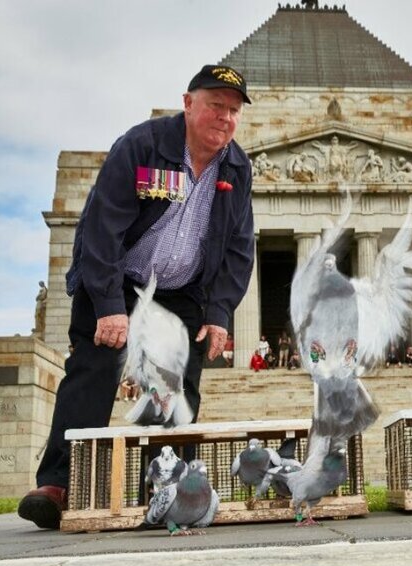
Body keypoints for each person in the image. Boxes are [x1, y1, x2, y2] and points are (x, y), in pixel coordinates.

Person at [17, 64, 255, 529]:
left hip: (183, 288)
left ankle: (166, 489)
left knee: (177, 381)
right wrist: (108, 305)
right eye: (214, 106)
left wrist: (221, 311)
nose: (224, 118)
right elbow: (102, 228)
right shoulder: (143, 146)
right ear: (188, 104)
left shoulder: (237, 167)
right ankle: (58, 484)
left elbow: (239, 246)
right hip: (117, 275)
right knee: (97, 366)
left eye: (232, 111)